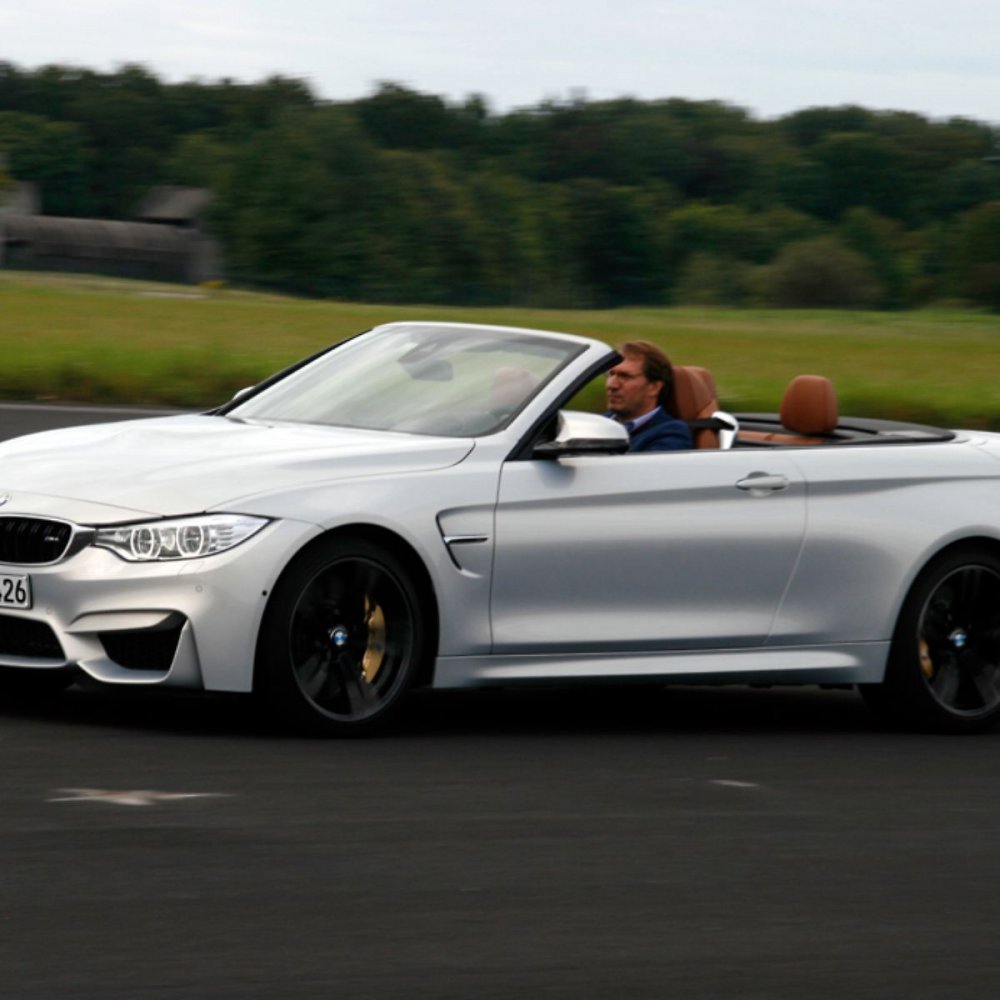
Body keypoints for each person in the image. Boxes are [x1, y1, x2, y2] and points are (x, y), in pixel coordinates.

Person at [604, 340, 692, 452]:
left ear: (654, 387)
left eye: (625, 376)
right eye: (611, 374)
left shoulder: (670, 434)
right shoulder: (599, 423)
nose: (611, 385)